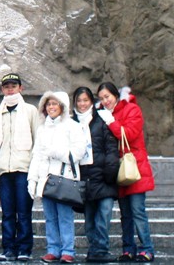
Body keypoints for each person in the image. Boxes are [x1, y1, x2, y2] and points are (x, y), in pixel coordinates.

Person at [96, 83, 155, 263]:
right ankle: (128, 248)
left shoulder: (132, 110)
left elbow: (128, 134)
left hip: (133, 167)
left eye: (107, 97)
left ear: (115, 95)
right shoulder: (103, 113)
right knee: (125, 214)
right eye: (102, 98)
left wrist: (111, 121)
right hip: (117, 169)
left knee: (138, 211)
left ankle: (147, 248)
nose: (105, 101)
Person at [27, 91, 85, 264]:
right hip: (46, 179)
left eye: (55, 104)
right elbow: (36, 155)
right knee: (50, 217)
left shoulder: (73, 126)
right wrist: (32, 179)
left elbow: (79, 152)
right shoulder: (42, 128)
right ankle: (53, 249)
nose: (51, 107)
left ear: (62, 106)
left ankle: (68, 250)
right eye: (48, 104)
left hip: (64, 178)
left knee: (65, 217)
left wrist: (57, 153)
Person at [0, 73, 39, 261]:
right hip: (5, 169)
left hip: (24, 168)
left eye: (13, 85)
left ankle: (25, 248)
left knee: (24, 212)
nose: (10, 89)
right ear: (2, 89)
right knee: (8, 213)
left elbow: (37, 140)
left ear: (21, 88)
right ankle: (9, 248)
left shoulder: (30, 110)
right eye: (6, 86)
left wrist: (36, 170)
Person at [71, 87, 119, 263]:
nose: (82, 104)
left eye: (85, 100)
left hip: (103, 175)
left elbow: (111, 148)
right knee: (90, 217)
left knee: (104, 213)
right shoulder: (72, 123)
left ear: (91, 101)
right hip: (84, 176)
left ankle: (101, 248)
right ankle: (94, 249)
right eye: (79, 101)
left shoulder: (102, 120)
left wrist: (110, 172)